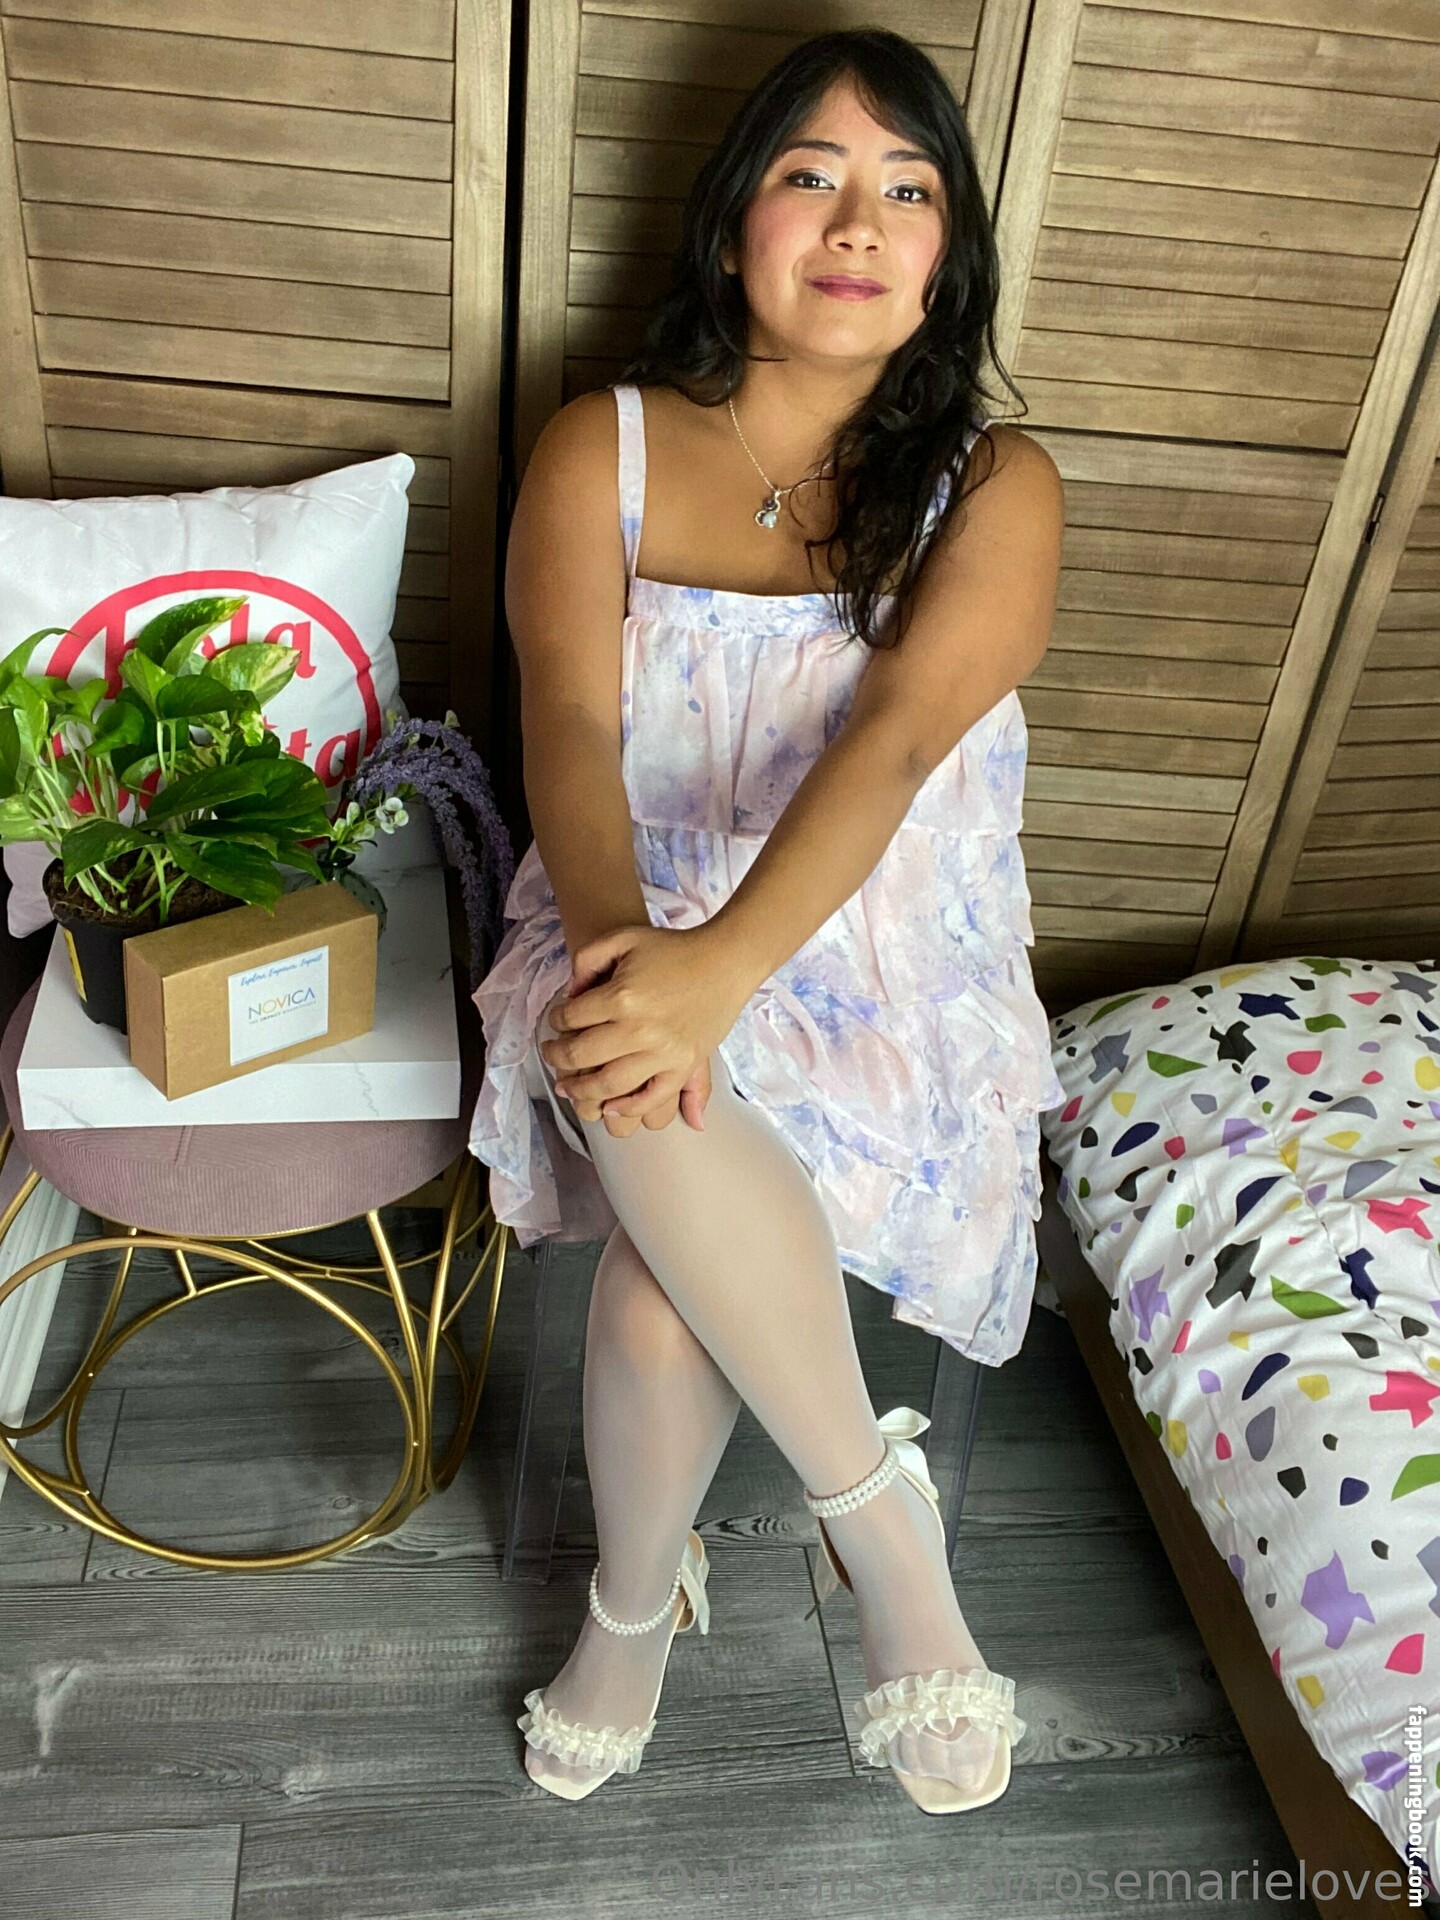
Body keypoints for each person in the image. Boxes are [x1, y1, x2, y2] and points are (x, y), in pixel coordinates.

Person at [469, 27, 1064, 1813]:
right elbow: (565, 727)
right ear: (736, 224)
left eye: (908, 189)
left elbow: (895, 747)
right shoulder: (600, 449)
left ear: (946, 254)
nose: (858, 221)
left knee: (662, 1293)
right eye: (812, 176)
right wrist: (634, 963)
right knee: (628, 1064)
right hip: (621, 903)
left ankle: (633, 1609)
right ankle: (880, 1528)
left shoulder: (997, 485)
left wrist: (719, 978)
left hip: (878, 947)